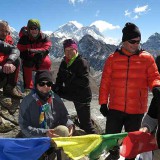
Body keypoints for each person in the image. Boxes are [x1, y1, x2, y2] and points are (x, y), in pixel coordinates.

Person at [99, 22, 160, 160]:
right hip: (115, 108)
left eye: (138, 41)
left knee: (132, 144)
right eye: (132, 41)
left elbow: (154, 77)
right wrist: (103, 103)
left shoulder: (147, 58)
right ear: (124, 41)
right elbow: (105, 83)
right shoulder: (112, 59)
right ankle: (113, 156)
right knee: (111, 140)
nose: (136, 44)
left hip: (136, 111)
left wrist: (156, 86)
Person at [19, 70, 74, 159]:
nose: (45, 86)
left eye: (48, 84)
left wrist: (70, 124)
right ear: (36, 85)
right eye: (41, 83)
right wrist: (44, 133)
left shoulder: (55, 98)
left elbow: (64, 116)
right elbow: (23, 126)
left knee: (63, 130)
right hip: (34, 138)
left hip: (52, 135)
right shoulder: (27, 101)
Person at [53, 39, 97, 134]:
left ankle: (97, 140)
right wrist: (56, 87)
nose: (68, 53)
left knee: (86, 124)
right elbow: (60, 77)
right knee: (50, 89)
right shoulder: (64, 62)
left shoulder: (81, 62)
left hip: (82, 96)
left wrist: (70, 76)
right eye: (66, 50)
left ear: (76, 50)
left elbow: (85, 82)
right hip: (71, 92)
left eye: (71, 49)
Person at [17, 19, 52, 95]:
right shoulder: (24, 38)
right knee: (27, 62)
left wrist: (33, 52)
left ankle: (44, 84)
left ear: (39, 29)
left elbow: (47, 49)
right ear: (28, 29)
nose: (34, 31)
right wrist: (29, 55)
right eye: (31, 28)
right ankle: (28, 88)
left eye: (35, 28)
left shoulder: (45, 37)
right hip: (29, 60)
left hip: (40, 58)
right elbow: (20, 49)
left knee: (47, 62)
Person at [0, 20, 23, 99]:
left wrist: (10, 61)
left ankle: (9, 88)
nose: (4, 33)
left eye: (6, 31)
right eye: (1, 30)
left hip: (2, 70)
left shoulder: (8, 40)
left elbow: (15, 50)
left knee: (16, 59)